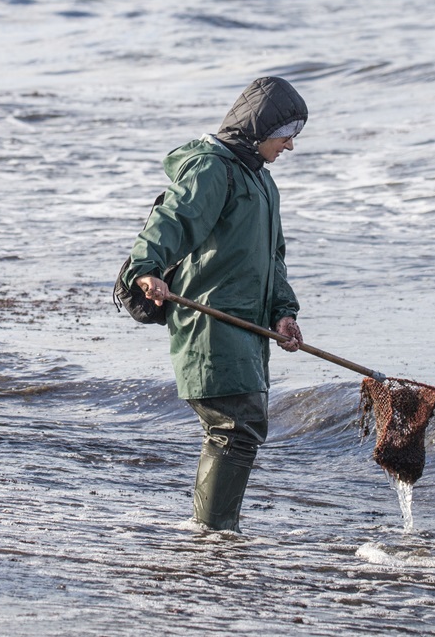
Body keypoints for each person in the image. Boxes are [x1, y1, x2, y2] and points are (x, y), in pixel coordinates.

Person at [119, 76, 308, 532]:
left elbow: (274, 258)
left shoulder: (262, 182)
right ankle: (213, 537)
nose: (290, 145)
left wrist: (284, 312)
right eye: (287, 132)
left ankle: (216, 533)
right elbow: (174, 220)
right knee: (233, 427)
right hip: (209, 322)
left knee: (239, 428)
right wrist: (146, 268)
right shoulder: (211, 167)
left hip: (248, 328)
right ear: (259, 128)